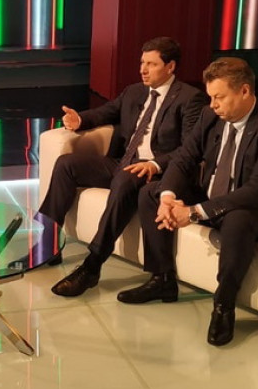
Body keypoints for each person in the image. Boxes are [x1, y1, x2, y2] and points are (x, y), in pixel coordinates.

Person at [119, 57, 258, 347]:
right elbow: (184, 158)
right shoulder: (210, 116)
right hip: (214, 196)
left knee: (238, 219)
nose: (213, 104)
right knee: (151, 193)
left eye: (219, 97)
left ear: (244, 91)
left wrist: (194, 212)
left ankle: (224, 306)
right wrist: (168, 197)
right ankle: (162, 279)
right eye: (211, 97)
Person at [42, 37, 208, 297]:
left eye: (151, 64)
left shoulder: (190, 98)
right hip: (124, 161)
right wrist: (80, 119)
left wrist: (155, 164)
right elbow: (106, 112)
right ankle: (47, 242)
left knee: (125, 179)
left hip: (157, 170)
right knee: (67, 164)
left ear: (170, 66)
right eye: (142, 63)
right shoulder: (134, 91)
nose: (143, 69)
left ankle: (92, 266)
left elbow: (191, 148)